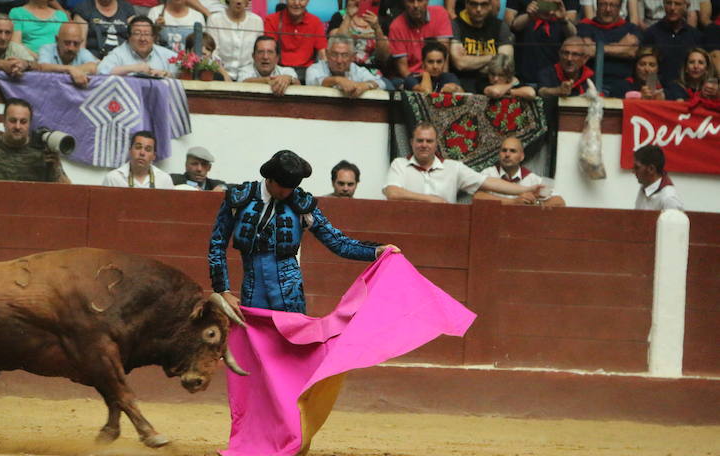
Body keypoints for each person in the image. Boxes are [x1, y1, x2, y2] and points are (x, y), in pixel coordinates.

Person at [209, 149, 400, 316]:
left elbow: (338, 243)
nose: (286, 192)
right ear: (269, 178)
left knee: (292, 349)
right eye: (282, 186)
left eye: (291, 188)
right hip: (252, 290)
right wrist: (223, 290)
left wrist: (375, 251)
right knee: (255, 348)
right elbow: (217, 245)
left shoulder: (302, 205)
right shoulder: (239, 199)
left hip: (290, 294)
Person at [383, 122, 545, 203]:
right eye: (420, 140)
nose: (424, 145)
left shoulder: (453, 168)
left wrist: (527, 189)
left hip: (446, 229)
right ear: (411, 142)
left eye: (429, 141)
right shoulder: (399, 164)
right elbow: (393, 193)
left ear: (436, 143)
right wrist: (430, 199)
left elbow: (488, 183)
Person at [577, 0, 642, 97]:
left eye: (613, 5)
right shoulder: (585, 26)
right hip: (590, 83)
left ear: (620, 8)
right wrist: (620, 47)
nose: (608, 9)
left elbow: (631, 51)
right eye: (603, 4)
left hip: (622, 85)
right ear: (597, 6)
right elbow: (588, 50)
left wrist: (598, 49)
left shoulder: (630, 28)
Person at [475, 136, 565, 205]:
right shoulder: (488, 173)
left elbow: (559, 202)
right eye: (504, 150)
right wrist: (513, 202)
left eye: (513, 151)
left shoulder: (533, 180)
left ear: (522, 156)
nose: (507, 154)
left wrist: (534, 203)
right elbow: (477, 197)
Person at [507, 0, 577, 86]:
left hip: (556, 72)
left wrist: (563, 19)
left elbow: (573, 36)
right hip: (526, 65)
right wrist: (529, 16)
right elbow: (510, 26)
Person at [449, 0, 514, 93]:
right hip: (463, 81)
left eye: (484, 4)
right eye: (474, 4)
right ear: (466, 4)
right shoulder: (456, 24)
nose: (478, 9)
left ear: (490, 5)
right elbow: (460, 63)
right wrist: (494, 57)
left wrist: (470, 60)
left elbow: (505, 62)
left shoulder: (500, 26)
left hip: (493, 82)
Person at [388, 0, 453, 88]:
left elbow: (444, 56)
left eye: (420, 0)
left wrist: (443, 81)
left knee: (452, 81)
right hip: (412, 77)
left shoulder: (440, 13)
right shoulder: (396, 26)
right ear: (404, 2)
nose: (416, 5)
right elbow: (403, 70)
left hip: (436, 73)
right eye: (411, 1)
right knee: (410, 84)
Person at [642, 0, 703, 86]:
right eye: (668, 3)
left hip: (687, 91)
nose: (672, 8)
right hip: (659, 91)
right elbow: (647, 67)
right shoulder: (651, 34)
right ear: (663, 4)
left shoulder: (696, 36)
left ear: (686, 6)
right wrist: (652, 89)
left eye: (677, 4)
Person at [327, 0, 391, 79]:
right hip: (344, 69)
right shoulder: (339, 16)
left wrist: (377, 28)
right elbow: (337, 43)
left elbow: (384, 56)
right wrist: (348, 17)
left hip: (372, 72)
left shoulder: (381, 20)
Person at [97, 16, 178, 76]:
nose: (142, 39)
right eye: (137, 33)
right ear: (129, 36)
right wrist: (133, 68)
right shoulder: (118, 53)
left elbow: (184, 72)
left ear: (154, 37)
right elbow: (101, 71)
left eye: (147, 34)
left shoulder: (165, 54)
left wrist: (166, 75)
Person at [305, 35, 387, 95]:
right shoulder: (314, 69)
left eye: (345, 55)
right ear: (327, 54)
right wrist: (337, 80)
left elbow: (381, 83)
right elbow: (312, 82)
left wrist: (366, 85)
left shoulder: (356, 69)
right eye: (334, 54)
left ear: (353, 57)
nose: (339, 60)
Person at [263, 0, 327, 74]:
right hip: (279, 71)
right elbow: (269, 52)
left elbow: (322, 54)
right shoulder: (271, 20)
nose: (296, 3)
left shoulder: (315, 22)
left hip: (307, 72)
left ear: (308, 1)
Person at [205, 0, 263, 81]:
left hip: (249, 76)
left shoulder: (257, 21)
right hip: (219, 74)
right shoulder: (214, 19)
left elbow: (259, 53)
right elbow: (212, 52)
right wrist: (224, 74)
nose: (239, 1)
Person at [102, 130, 174, 188]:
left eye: (148, 149)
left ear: (154, 156)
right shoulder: (113, 178)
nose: (142, 153)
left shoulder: (164, 179)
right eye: (138, 147)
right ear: (130, 150)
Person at [37, 22, 100, 87]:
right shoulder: (47, 49)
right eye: (67, 43)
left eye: (76, 43)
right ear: (57, 40)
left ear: (81, 42)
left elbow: (93, 67)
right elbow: (42, 67)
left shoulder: (83, 52)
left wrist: (72, 70)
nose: (71, 48)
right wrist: (69, 69)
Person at [238, 35, 302, 95]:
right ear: (253, 56)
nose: (265, 57)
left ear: (277, 57)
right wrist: (268, 80)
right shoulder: (244, 70)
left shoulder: (287, 71)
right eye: (260, 52)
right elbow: (243, 83)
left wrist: (289, 79)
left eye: (270, 52)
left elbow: (298, 86)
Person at [71, 0, 136, 59]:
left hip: (122, 61)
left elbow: (134, 41)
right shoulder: (84, 8)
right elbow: (80, 48)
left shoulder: (126, 8)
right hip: (92, 61)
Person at [632, 144, 683, 210]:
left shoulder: (669, 198)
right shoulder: (644, 188)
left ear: (651, 169)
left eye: (637, 167)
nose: (633, 171)